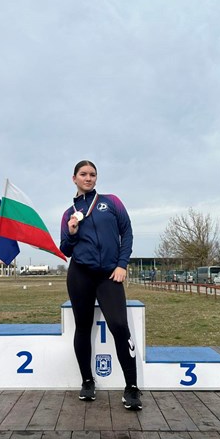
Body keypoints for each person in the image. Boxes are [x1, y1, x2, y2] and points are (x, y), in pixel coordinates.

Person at [60, 160, 142, 411]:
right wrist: (72, 231)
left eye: (92, 174)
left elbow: (127, 233)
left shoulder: (112, 202)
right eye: (83, 174)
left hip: (109, 274)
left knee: (119, 326)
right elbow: (65, 249)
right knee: (83, 327)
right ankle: (87, 381)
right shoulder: (68, 213)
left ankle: (132, 387)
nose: (88, 178)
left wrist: (122, 264)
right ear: (74, 178)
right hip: (80, 274)